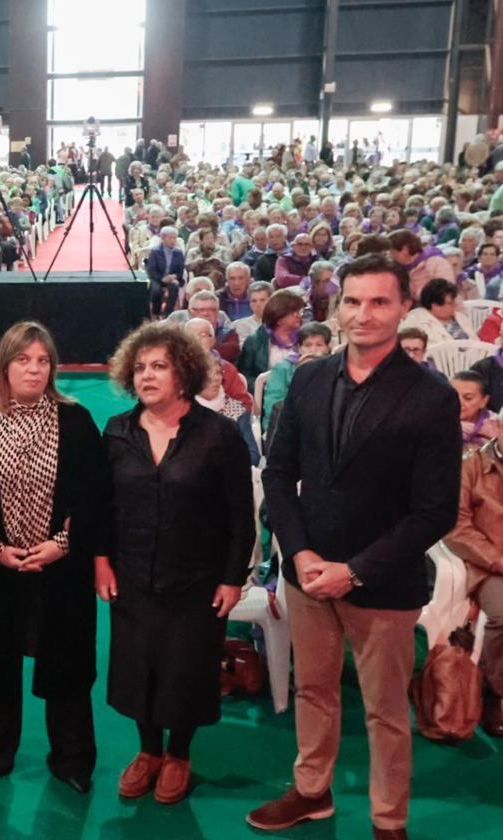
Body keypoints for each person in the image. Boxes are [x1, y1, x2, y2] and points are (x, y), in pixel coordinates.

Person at [250, 254, 461, 839]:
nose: (363, 314)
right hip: (309, 575)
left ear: (402, 308)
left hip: (382, 582)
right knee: (312, 691)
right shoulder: (311, 378)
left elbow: (435, 511)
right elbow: (278, 473)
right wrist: (299, 553)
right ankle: (313, 792)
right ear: (335, 307)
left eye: (379, 302)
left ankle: (388, 820)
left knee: (386, 711)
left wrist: (358, 569)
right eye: (352, 301)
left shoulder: (431, 397)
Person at [97, 322, 254, 805]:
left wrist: (232, 578)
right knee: (138, 666)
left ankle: (180, 753)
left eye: (159, 366)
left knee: (185, 671)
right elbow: (102, 506)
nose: (147, 376)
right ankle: (148, 752)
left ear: (183, 373)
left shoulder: (219, 434)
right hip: (132, 574)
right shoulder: (118, 431)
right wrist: (101, 562)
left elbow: (240, 515)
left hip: (197, 579)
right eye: (140, 367)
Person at [0, 321, 103, 793]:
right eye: (24, 360)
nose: (34, 370)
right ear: (5, 365)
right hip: (1, 570)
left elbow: (95, 495)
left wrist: (62, 543)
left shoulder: (76, 421)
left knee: (67, 666)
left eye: (42, 361)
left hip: (63, 569)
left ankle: (73, 759)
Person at [445, 430, 503, 736]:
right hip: (489, 565)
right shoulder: (470, 467)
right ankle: (495, 690)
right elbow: (455, 526)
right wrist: (496, 559)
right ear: (499, 429)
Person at [236, 289, 306, 387]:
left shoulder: (305, 337)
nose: (298, 315)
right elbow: (244, 377)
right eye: (293, 312)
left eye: (299, 311)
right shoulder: (255, 341)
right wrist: (265, 387)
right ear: (279, 316)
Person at [400, 278, 473, 345]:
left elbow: (475, 341)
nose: (454, 305)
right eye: (450, 303)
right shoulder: (414, 321)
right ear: (434, 306)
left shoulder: (460, 318)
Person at [451, 371, 499, 451]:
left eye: (468, 398)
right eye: (453, 396)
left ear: (484, 401)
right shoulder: (434, 422)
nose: (458, 402)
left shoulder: (497, 426)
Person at [145, 226, 186, 317]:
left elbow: (180, 270)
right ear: (163, 238)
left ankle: (168, 314)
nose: (173, 240)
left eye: (174, 238)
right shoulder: (155, 251)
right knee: (156, 290)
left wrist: (174, 276)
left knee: (174, 288)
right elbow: (151, 269)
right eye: (170, 238)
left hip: (171, 279)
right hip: (157, 278)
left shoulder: (178, 253)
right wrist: (163, 279)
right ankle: (156, 313)